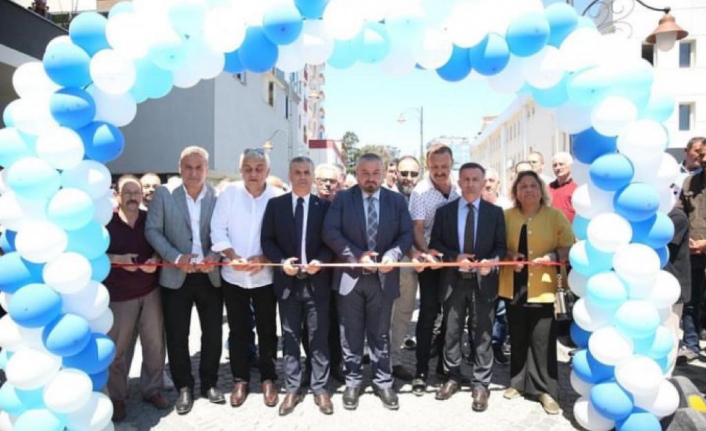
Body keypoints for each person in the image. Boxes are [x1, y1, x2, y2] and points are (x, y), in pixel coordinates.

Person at [322, 153, 413, 411]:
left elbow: (406, 233)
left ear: (383, 173)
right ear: (357, 172)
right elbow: (330, 232)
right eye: (365, 173)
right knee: (349, 334)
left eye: (375, 173)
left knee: (380, 333)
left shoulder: (396, 200)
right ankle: (352, 380)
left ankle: (383, 381)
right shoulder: (341, 198)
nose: (370, 178)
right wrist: (356, 256)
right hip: (351, 277)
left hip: (383, 278)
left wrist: (394, 254)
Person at [145, 146, 224, 415]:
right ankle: (184, 387)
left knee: (213, 333)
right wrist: (176, 258)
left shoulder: (217, 195)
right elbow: (153, 230)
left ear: (206, 169)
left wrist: (214, 255)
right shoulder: (165, 194)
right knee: (178, 335)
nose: (193, 172)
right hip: (175, 276)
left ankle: (210, 383)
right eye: (188, 167)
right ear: (180, 168)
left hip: (209, 275)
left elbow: (225, 231)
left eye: (199, 167)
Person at [261, 157, 334, 416]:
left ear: (313, 176)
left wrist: (321, 261)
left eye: (307, 172)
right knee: (290, 337)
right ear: (289, 175)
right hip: (287, 283)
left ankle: (320, 387)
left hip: (317, 283)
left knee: (318, 337)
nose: (302, 177)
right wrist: (281, 262)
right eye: (297, 172)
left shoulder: (324, 207)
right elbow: (267, 240)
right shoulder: (276, 205)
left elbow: (330, 243)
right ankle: (291, 388)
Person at [430, 163, 506, 412]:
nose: (471, 183)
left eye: (476, 179)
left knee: (482, 332)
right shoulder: (445, 212)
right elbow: (436, 244)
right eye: (466, 179)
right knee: (451, 332)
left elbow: (500, 247)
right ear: (459, 182)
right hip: (454, 281)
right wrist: (454, 257)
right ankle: (453, 376)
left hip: (483, 282)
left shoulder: (495, 213)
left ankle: (481, 383)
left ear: (484, 182)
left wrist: (491, 263)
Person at [210, 148, 283, 408]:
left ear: (268, 171)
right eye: (248, 168)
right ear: (240, 170)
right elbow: (217, 229)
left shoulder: (277, 197)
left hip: (265, 276)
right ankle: (240, 379)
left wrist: (264, 258)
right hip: (234, 275)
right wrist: (231, 255)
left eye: (259, 168)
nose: (253, 173)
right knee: (238, 330)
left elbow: (283, 237)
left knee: (267, 330)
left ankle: (268, 378)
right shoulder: (229, 194)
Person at [499, 171, 573, 415]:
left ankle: (545, 390)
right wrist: (509, 256)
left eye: (533, 185)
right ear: (515, 192)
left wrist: (552, 257)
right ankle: (518, 383)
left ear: (541, 190)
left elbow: (569, 245)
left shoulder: (555, 216)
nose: (528, 190)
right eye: (523, 186)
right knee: (518, 336)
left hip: (543, 287)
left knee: (542, 340)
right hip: (514, 286)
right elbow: (498, 246)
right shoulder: (506, 216)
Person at [106, 175, 168, 422]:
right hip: (119, 296)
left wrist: (155, 259)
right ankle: (118, 396)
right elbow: (94, 254)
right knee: (118, 349)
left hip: (149, 291)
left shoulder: (148, 220)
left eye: (137, 192)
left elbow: (161, 244)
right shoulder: (107, 222)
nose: (133, 197)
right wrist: (117, 260)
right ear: (117, 195)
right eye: (127, 192)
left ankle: (153, 389)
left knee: (154, 345)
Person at [408, 143, 461, 395]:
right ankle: (420, 371)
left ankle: (444, 366)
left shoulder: (460, 188)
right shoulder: (420, 192)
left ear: (451, 163)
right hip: (430, 261)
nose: (440, 171)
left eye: (444, 166)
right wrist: (427, 254)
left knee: (451, 315)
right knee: (428, 315)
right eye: (435, 166)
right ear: (428, 165)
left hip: (453, 261)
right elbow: (416, 228)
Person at [390, 155, 421, 382]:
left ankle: (394, 360)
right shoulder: (386, 198)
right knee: (383, 316)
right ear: (396, 173)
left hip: (413, 268)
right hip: (389, 266)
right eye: (404, 173)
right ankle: (376, 357)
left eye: (413, 173)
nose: (408, 178)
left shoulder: (423, 197)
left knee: (403, 315)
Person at [676, 142, 706, 363]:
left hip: (702, 246)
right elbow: (679, 212)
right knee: (690, 300)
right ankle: (691, 343)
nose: (703, 159)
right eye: (701, 154)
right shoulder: (689, 182)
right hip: (692, 252)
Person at [666, 205, 691, 369]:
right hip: (652, 286)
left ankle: (666, 375)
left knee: (668, 334)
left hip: (672, 286)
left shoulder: (677, 217)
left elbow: (661, 242)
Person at [548, 152, 577, 223]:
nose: (558, 168)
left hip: (571, 230)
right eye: (555, 165)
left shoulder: (577, 186)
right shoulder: (548, 187)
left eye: (561, 164)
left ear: (570, 166)